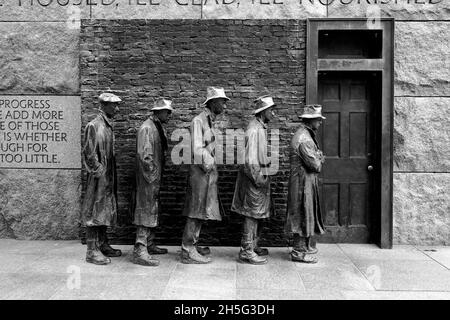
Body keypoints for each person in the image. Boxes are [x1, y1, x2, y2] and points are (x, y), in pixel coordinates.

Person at [181, 87, 229, 264]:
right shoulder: (198, 121)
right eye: (222, 101)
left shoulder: (209, 121)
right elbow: (197, 148)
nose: (224, 105)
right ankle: (187, 250)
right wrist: (210, 164)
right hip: (200, 174)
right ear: (212, 102)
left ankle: (193, 243)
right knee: (195, 210)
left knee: (201, 211)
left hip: (206, 174)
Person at [231, 95, 276, 265]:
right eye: (271, 110)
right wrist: (259, 179)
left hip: (258, 180)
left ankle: (253, 245)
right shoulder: (254, 130)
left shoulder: (260, 128)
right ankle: (246, 250)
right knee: (251, 215)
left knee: (256, 214)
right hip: (253, 182)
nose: (273, 113)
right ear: (263, 111)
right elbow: (249, 161)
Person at [81, 92, 122, 265]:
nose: (117, 109)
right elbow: (89, 153)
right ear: (104, 105)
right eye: (114, 105)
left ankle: (103, 243)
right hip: (99, 178)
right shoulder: (94, 125)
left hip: (108, 176)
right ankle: (91, 250)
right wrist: (99, 171)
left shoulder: (107, 126)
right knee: (94, 211)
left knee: (104, 209)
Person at [132, 98, 173, 266]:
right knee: (145, 209)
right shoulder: (147, 128)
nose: (169, 115)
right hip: (148, 179)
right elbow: (144, 156)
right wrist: (153, 175)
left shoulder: (156, 126)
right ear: (157, 112)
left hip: (153, 178)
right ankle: (140, 249)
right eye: (167, 112)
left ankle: (149, 242)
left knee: (152, 208)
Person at [285, 104, 326, 264]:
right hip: (302, 184)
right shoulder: (305, 139)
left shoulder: (306, 135)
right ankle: (299, 251)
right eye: (318, 120)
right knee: (302, 214)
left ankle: (305, 246)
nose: (320, 123)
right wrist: (320, 158)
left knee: (307, 213)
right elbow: (316, 165)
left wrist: (317, 157)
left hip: (305, 182)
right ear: (311, 120)